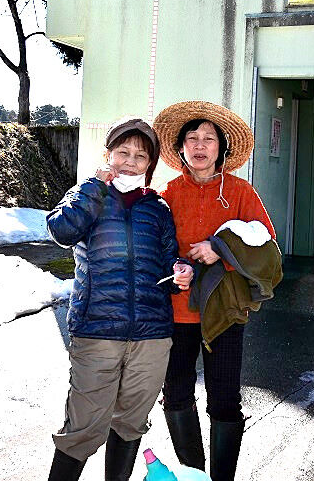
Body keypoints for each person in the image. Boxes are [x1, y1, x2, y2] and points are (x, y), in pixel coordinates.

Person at [45, 117, 194, 481]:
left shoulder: (157, 208)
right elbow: (62, 230)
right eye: (122, 152)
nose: (130, 161)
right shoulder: (86, 195)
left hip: (152, 336)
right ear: (107, 155)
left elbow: (168, 260)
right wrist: (96, 185)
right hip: (97, 332)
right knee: (83, 428)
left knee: (130, 424)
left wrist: (181, 272)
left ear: (149, 165)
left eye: (140, 156)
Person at [152, 101, 282, 481]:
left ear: (221, 149)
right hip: (176, 311)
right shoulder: (168, 193)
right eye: (191, 138)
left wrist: (219, 250)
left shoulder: (240, 192)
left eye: (209, 138)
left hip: (224, 310)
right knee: (175, 394)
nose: (199, 145)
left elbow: (266, 245)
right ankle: (195, 474)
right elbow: (155, 247)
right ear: (180, 149)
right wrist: (174, 268)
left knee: (225, 401)